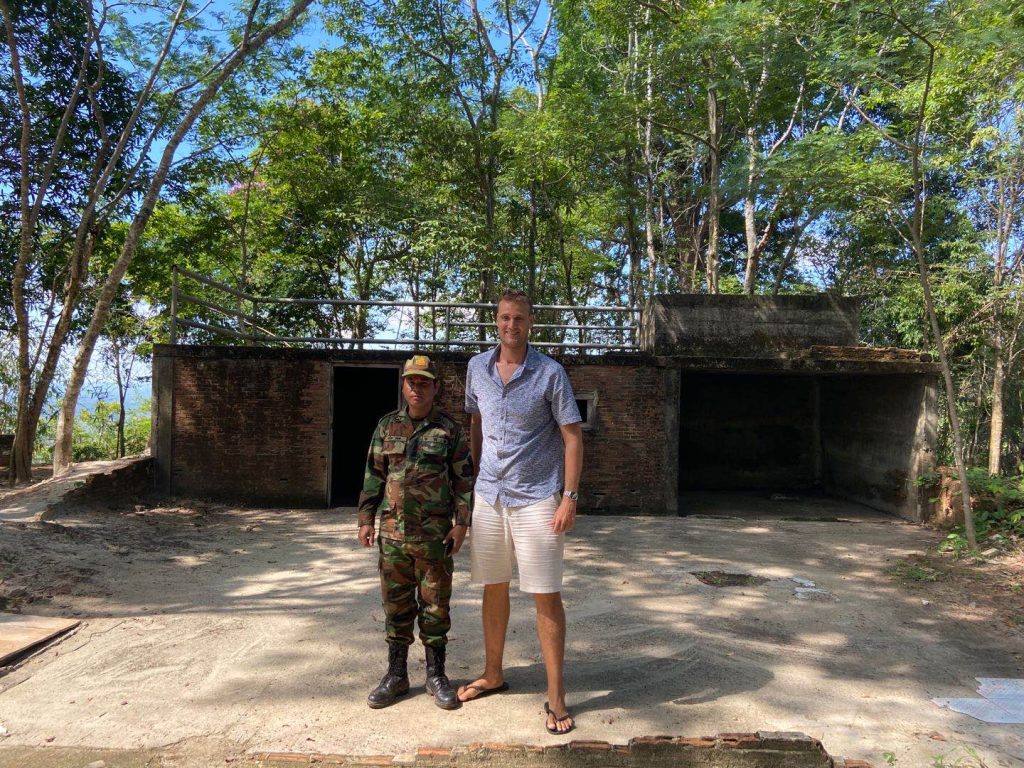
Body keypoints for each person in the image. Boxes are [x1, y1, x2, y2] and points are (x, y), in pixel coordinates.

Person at [459, 289, 583, 735]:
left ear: (531, 322)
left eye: (520, 319)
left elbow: (572, 437)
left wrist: (569, 496)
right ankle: (493, 674)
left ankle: (556, 695)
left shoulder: (550, 373)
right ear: (496, 321)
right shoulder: (476, 368)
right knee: (493, 586)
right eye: (505, 318)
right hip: (490, 495)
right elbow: (476, 423)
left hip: (537, 498)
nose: (512, 325)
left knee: (545, 593)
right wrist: (474, 479)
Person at [357, 355, 474, 710]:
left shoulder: (449, 431)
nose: (417, 388)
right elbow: (373, 475)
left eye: (424, 382)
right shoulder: (386, 427)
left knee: (436, 608)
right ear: (403, 386)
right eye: (411, 381)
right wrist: (366, 519)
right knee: (396, 607)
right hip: (392, 536)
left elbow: (464, 481)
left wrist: (461, 524)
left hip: (434, 537)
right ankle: (396, 674)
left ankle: (436, 675)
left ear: (435, 388)